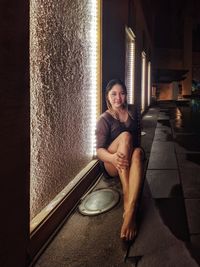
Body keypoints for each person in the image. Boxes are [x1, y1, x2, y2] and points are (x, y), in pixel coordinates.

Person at [95, 79, 144, 241]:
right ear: (107, 97)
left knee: (137, 152)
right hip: (112, 163)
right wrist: (113, 157)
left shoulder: (134, 111)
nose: (118, 98)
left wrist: (136, 153)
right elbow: (99, 151)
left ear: (126, 95)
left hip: (129, 156)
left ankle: (130, 210)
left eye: (122, 93)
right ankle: (128, 200)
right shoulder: (104, 119)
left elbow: (138, 139)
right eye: (113, 94)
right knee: (125, 136)